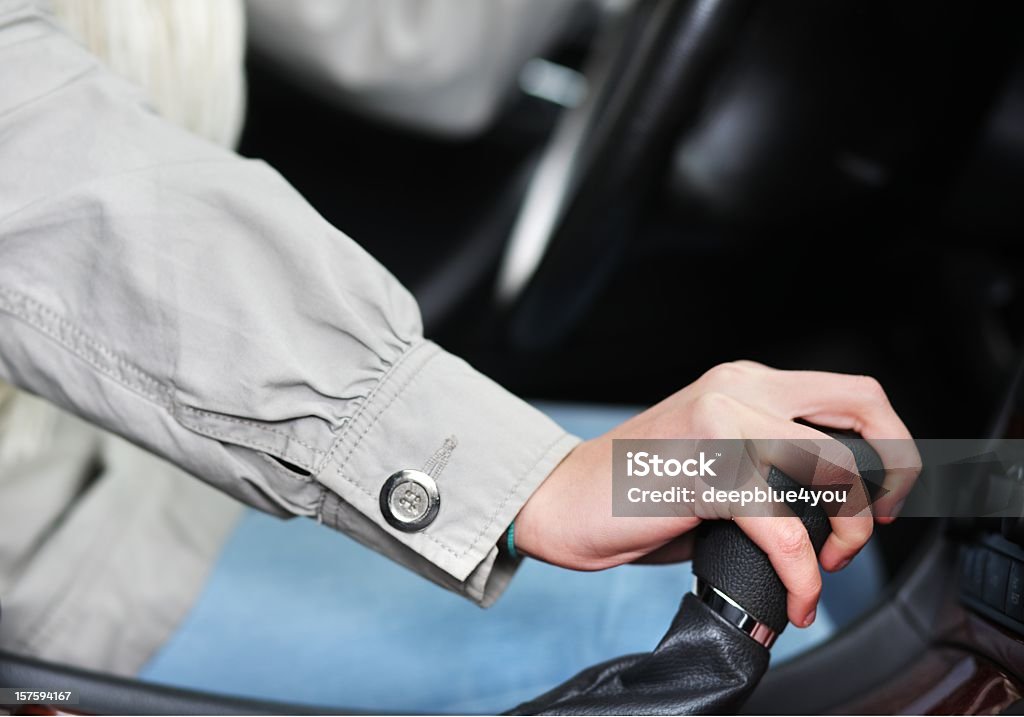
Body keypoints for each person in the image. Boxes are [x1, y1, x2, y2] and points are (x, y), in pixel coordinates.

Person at [0, 0, 919, 709]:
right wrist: (521, 479)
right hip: (56, 549)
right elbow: (33, 159)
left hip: (161, 441)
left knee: (835, 496)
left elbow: (411, 41)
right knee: (766, 649)